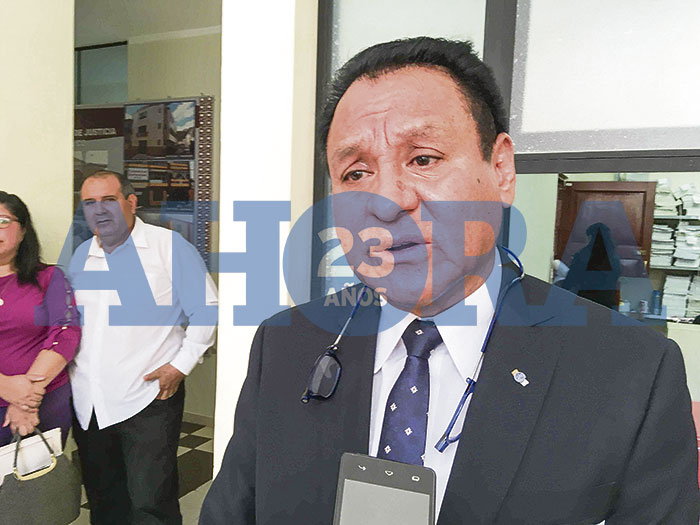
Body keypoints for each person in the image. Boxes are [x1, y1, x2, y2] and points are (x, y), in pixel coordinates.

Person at [201, 38, 699, 523]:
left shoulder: (632, 372)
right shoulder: (285, 345)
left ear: (500, 169)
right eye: (355, 173)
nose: (386, 202)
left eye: (423, 159)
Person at [67, 171, 218, 524]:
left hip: (149, 398)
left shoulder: (168, 247)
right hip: (89, 400)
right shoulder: (82, 254)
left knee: (150, 502)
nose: (99, 210)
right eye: (89, 203)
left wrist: (180, 366)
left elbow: (207, 308)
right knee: (103, 498)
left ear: (131, 202)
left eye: (109, 200)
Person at [0, 191, 80, 447]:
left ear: (23, 230)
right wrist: (6, 387)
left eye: (2, 221)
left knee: (37, 473)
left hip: (44, 401)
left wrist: (27, 396)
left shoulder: (49, 278)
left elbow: (65, 333)